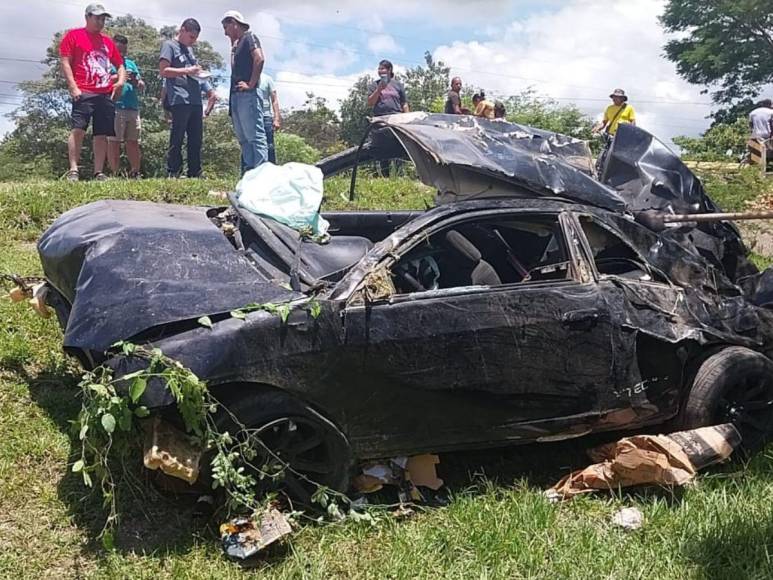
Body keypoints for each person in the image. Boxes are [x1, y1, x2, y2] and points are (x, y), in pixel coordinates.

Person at [59, 3, 125, 182]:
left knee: (101, 134)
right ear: (87, 17)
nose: (101, 22)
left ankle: (98, 172)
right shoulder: (74, 36)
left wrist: (120, 81)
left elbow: (120, 64)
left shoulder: (107, 41)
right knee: (78, 129)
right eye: (97, 18)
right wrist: (72, 86)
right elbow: (65, 61)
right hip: (83, 90)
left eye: (103, 19)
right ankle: (73, 170)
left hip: (105, 93)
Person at [159, 18, 216, 178]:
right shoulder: (169, 45)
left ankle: (195, 172)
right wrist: (187, 70)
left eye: (195, 38)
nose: (193, 41)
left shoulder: (190, 50)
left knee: (196, 138)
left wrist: (203, 79)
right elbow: (164, 71)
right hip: (179, 98)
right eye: (191, 37)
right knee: (177, 137)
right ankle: (174, 171)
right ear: (182, 30)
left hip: (195, 99)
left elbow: (194, 73)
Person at [222, 10, 267, 175]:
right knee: (243, 139)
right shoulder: (237, 44)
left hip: (248, 95)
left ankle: (261, 173)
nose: (225, 32)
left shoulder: (249, 37)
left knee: (255, 136)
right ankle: (249, 173)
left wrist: (251, 84)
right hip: (236, 95)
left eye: (226, 27)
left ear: (234, 23)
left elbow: (259, 59)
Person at [107, 34, 143, 178]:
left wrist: (135, 80)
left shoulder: (131, 63)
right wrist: (119, 77)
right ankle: (115, 173)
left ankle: (135, 172)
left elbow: (141, 84)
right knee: (114, 142)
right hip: (115, 107)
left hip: (132, 108)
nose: (121, 53)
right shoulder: (107, 63)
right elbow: (102, 80)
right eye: (119, 50)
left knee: (133, 142)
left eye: (124, 50)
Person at [366, 60, 409, 176]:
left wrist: (407, 118)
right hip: (380, 120)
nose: (380, 71)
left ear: (389, 70)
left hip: (396, 119)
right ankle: (385, 175)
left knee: (398, 144)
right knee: (383, 146)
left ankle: (399, 174)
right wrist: (379, 89)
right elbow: (370, 102)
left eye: (383, 68)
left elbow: (404, 103)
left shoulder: (398, 85)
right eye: (379, 69)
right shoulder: (374, 85)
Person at [258, 74, 282, 164]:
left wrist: (276, 119)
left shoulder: (267, 79)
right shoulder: (246, 78)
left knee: (269, 146)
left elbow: (274, 100)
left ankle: (271, 169)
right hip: (251, 118)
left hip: (266, 117)